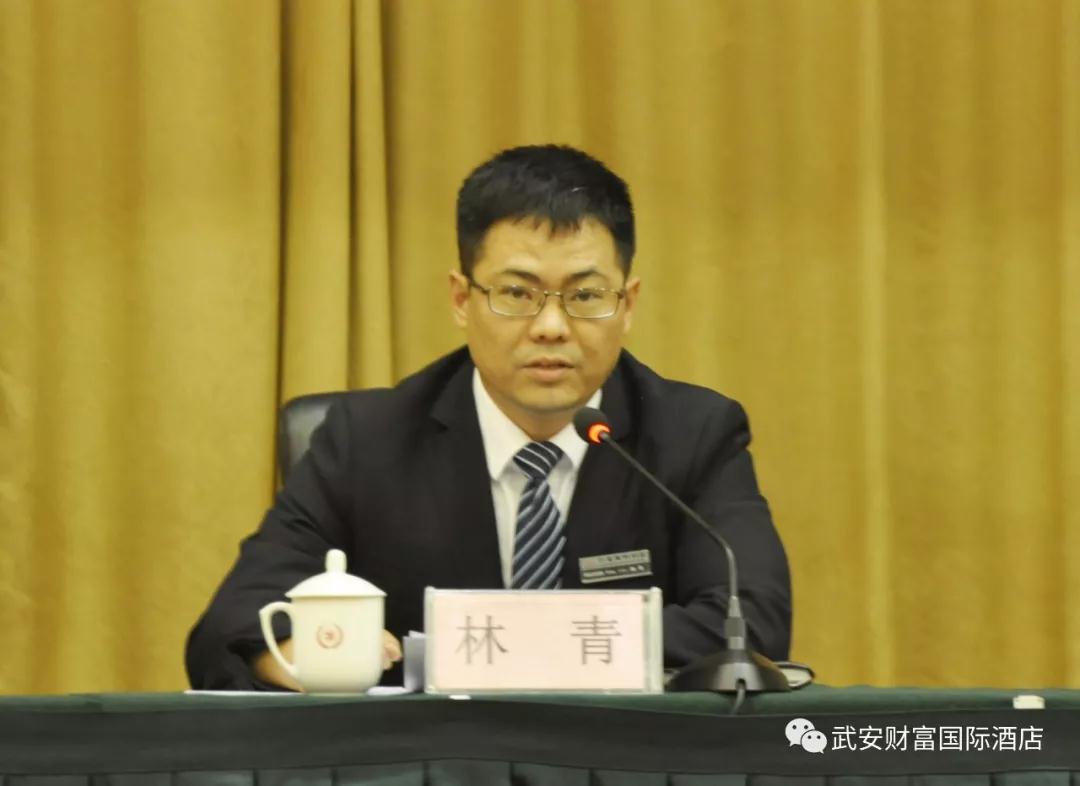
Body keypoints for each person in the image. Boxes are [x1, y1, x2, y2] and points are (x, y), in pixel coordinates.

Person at [185, 144, 791, 690]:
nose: (550, 327)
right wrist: (305, 655)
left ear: (627, 305)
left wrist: (495, 649)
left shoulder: (693, 434)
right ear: (461, 299)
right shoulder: (367, 440)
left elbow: (752, 621)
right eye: (517, 294)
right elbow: (228, 628)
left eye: (584, 296)